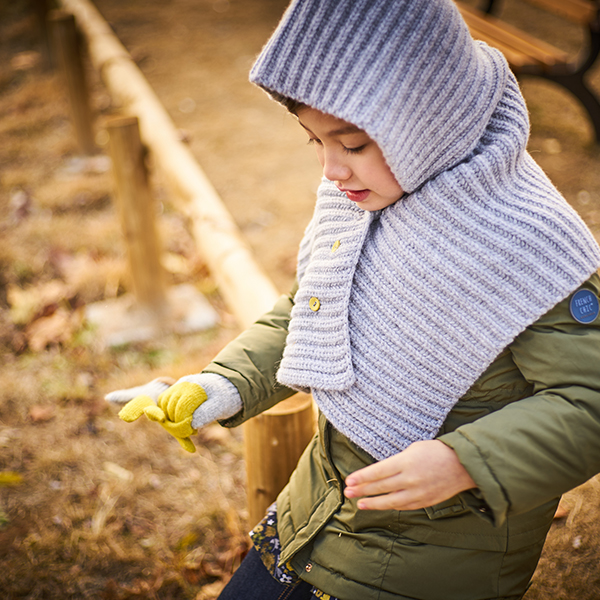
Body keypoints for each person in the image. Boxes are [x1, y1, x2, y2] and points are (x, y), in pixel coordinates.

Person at [109, 0, 600, 598]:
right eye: (314, 140)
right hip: (308, 520)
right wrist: (223, 385)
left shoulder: (531, 244)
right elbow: (315, 307)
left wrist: (465, 461)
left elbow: (590, 402)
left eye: (353, 144)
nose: (331, 169)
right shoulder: (366, 194)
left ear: (428, 121)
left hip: (427, 569)